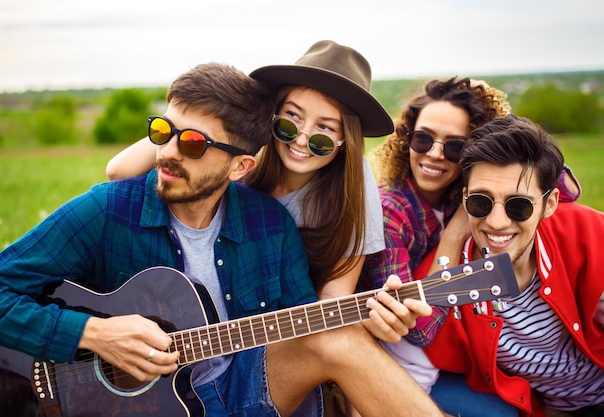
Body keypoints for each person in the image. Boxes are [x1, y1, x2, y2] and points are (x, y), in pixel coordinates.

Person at [0, 63, 443, 417]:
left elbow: (308, 332)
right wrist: (95, 333)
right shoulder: (107, 211)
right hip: (132, 405)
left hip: (239, 390)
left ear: (240, 166)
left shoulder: (269, 225)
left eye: (194, 144)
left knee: (334, 338)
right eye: (163, 131)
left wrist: (374, 313)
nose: (169, 152)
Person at [105, 40, 413, 417]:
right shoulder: (239, 155)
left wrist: (364, 318)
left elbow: (333, 296)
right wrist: (185, 129)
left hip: (276, 332)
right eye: (290, 120)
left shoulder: (353, 187)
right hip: (196, 315)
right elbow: (118, 172)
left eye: (322, 131)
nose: (301, 139)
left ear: (344, 141)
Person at [358, 77, 582, 416]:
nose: (434, 153)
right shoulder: (392, 210)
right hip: (403, 359)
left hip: (454, 354)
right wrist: (454, 234)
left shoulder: (463, 196)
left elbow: (556, 187)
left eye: (453, 146)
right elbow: (417, 329)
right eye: (423, 138)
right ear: (406, 139)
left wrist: (501, 126)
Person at [420, 114, 604, 417]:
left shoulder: (587, 233)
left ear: (551, 204)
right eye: (481, 201)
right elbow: (410, 369)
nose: (496, 222)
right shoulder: (441, 279)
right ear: (465, 199)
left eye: (519, 205)